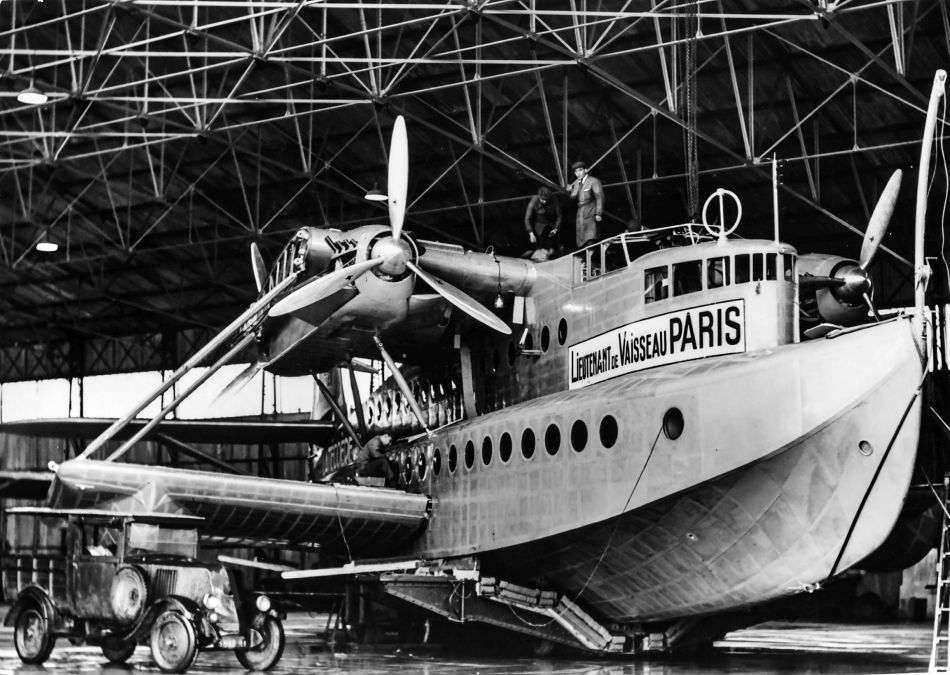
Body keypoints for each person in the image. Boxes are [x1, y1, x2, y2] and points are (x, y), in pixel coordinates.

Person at [568, 160, 605, 249]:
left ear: (586, 170)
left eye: (580, 170)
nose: (578, 173)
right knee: (581, 238)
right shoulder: (577, 183)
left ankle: (591, 258)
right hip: (580, 213)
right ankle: (585, 259)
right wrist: (569, 190)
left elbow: (600, 197)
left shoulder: (593, 181)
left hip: (591, 211)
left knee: (591, 237)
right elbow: (572, 197)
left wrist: (598, 213)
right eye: (576, 171)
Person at [523, 186, 562, 253]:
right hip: (539, 224)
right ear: (539, 197)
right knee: (539, 243)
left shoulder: (554, 200)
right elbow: (527, 218)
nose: (544, 202)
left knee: (554, 244)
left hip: (551, 223)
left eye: (546, 200)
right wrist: (531, 234)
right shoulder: (534, 200)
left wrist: (555, 229)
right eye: (543, 199)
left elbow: (559, 217)